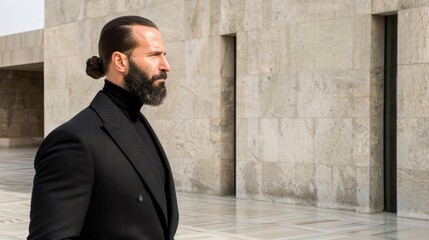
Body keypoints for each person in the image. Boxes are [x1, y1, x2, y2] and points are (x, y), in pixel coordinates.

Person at [28, 16, 179, 240]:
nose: (166, 65)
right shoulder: (73, 141)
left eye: (164, 55)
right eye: (154, 55)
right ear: (120, 61)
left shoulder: (138, 123)